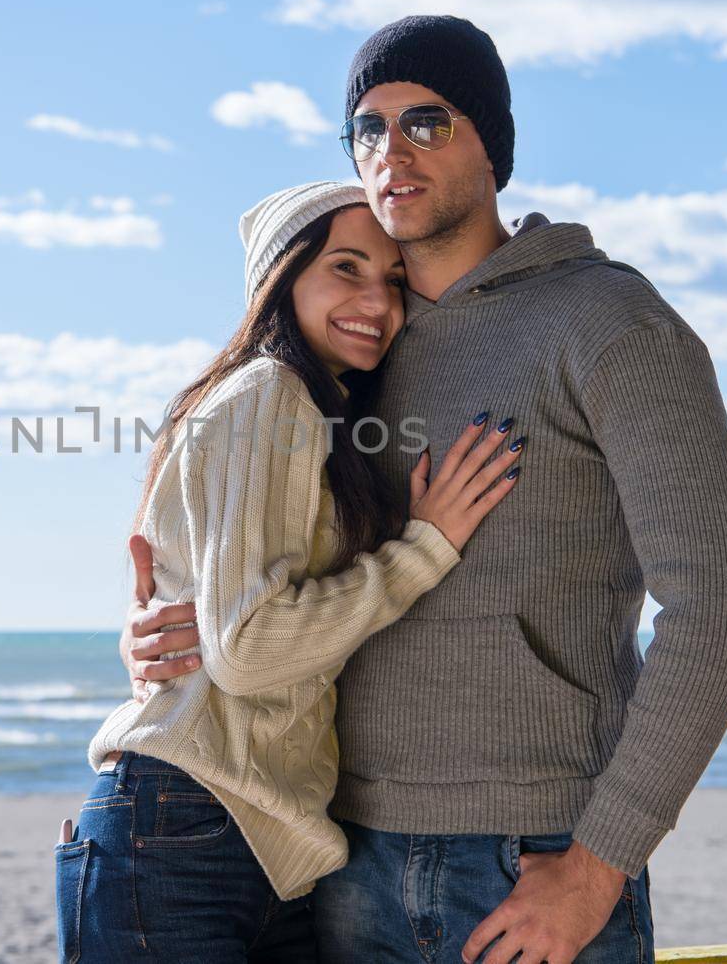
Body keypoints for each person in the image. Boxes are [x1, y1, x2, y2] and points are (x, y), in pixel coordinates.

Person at [119, 16, 727, 963]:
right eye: (369, 129)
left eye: (427, 122)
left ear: (494, 145)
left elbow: (721, 606)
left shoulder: (609, 322)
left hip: (533, 864)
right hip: (339, 863)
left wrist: (599, 863)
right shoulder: (350, 355)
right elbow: (254, 549)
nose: (393, 152)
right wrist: (164, 622)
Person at [55, 180, 528, 962]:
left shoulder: (319, 415)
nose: (376, 300)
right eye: (347, 268)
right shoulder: (271, 392)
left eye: (393, 280)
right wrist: (427, 547)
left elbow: (218, 622)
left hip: (255, 845)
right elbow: (251, 648)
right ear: (282, 278)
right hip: (187, 830)